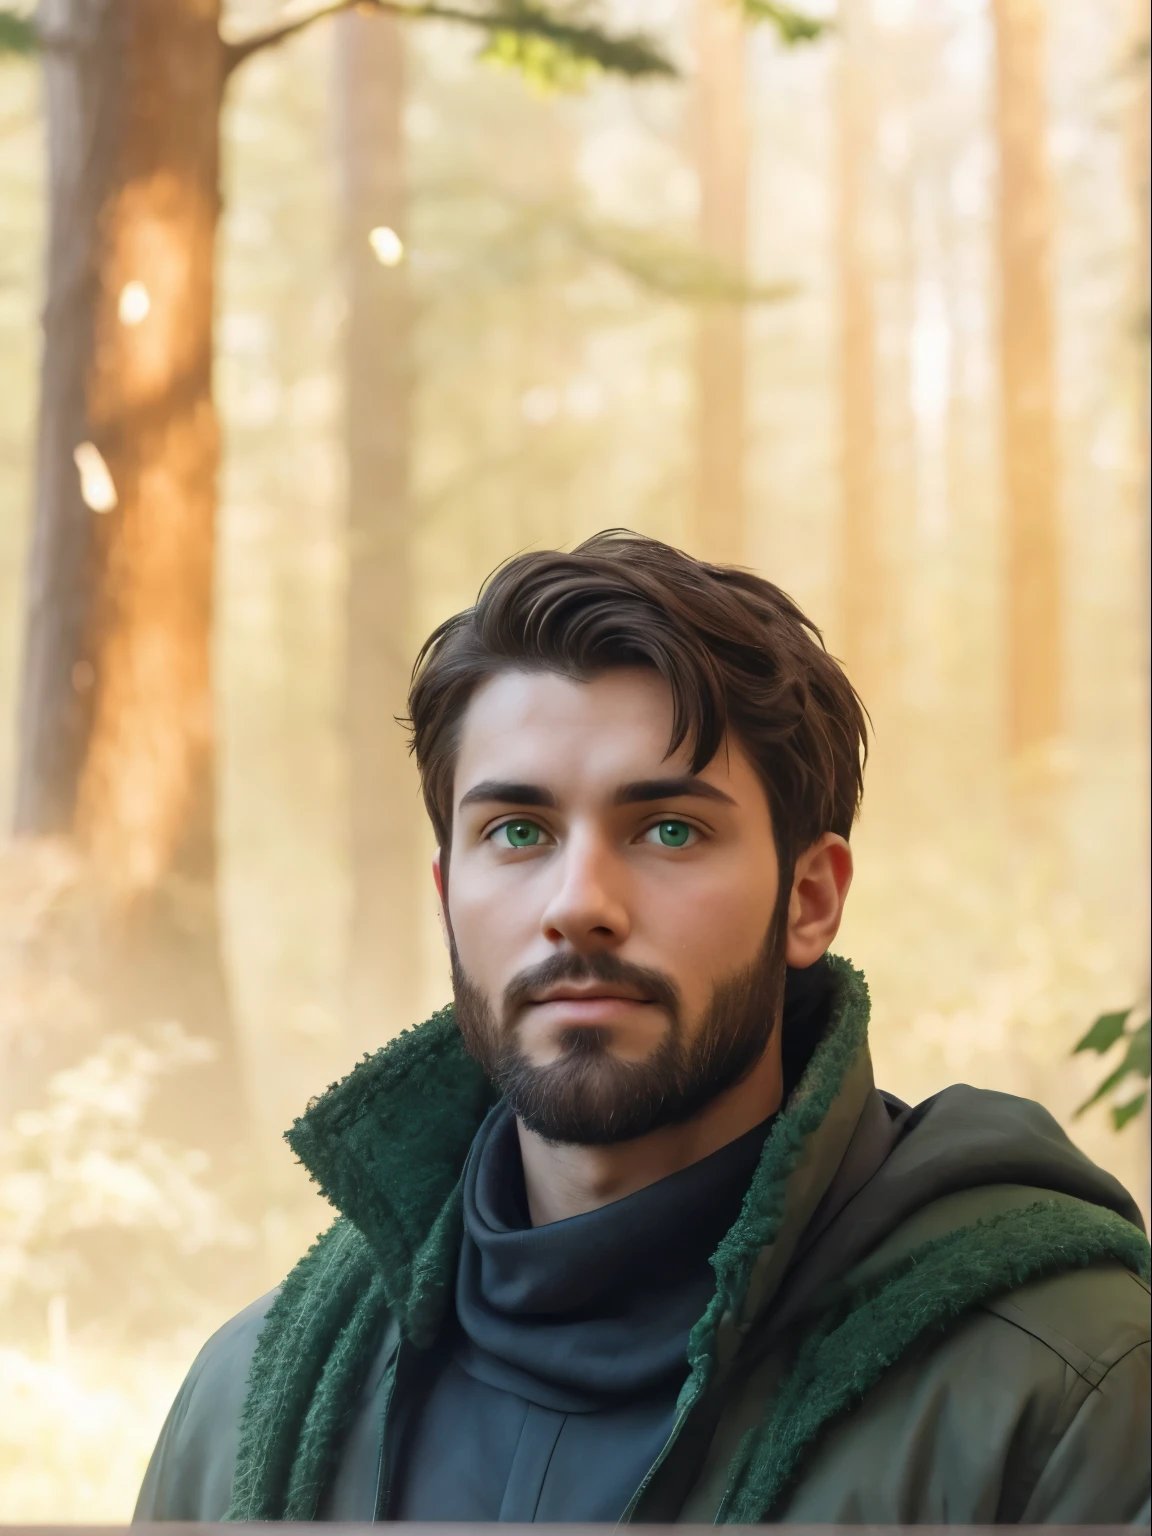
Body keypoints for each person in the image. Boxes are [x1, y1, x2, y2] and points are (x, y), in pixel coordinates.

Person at [135, 531, 1151, 1523]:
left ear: (809, 899)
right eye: (518, 832)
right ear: (449, 895)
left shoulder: (1066, 1388)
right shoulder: (246, 1404)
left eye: (670, 829)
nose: (580, 902)